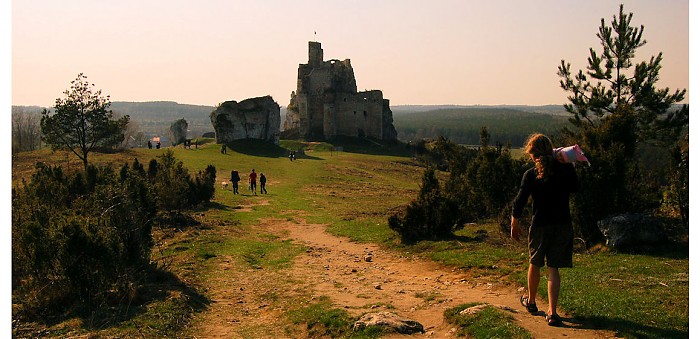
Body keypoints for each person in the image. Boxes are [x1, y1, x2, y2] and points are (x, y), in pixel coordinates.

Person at [510, 133, 579, 327]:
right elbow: (576, 188)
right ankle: (552, 312)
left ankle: (531, 302)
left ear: (533, 154)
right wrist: (569, 165)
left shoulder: (531, 174)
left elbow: (520, 200)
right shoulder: (564, 170)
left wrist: (514, 222)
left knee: (535, 262)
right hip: (563, 223)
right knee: (553, 268)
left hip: (540, 224)